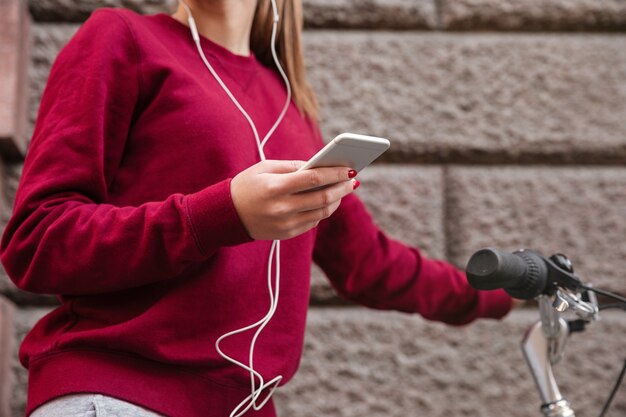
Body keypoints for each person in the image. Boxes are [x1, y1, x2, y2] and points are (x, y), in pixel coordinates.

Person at [0, 1, 518, 416]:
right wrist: (223, 214)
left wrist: (507, 293)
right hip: (116, 394)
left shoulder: (293, 110)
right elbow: (37, 242)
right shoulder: (121, 38)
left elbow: (372, 265)